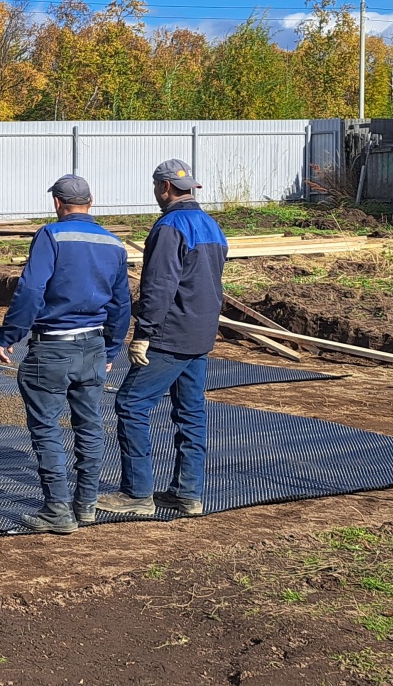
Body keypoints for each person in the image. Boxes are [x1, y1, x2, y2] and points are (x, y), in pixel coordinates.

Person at [0, 176, 131, 534]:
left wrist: (10, 334)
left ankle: (57, 509)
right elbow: (121, 303)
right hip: (93, 346)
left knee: (46, 427)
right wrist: (112, 348)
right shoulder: (113, 243)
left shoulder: (51, 236)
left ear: (57, 203)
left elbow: (31, 288)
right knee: (89, 426)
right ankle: (86, 504)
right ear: (91, 201)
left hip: (53, 347)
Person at [97, 159, 227, 519]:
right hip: (200, 335)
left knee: (131, 404)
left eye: (157, 188)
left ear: (164, 187)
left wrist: (143, 334)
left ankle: (137, 493)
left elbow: (159, 285)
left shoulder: (170, 226)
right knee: (191, 413)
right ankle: (188, 493)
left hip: (170, 337)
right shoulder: (212, 226)